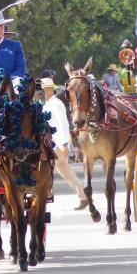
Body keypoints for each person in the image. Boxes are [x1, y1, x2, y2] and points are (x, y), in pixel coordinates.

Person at [41, 78, 88, 210]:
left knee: (44, 170)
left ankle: (42, 196)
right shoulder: (49, 104)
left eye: (44, 89)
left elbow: (62, 124)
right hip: (54, 144)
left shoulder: (55, 104)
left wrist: (64, 144)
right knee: (65, 171)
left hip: (57, 145)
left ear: (49, 89)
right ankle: (84, 196)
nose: (42, 92)